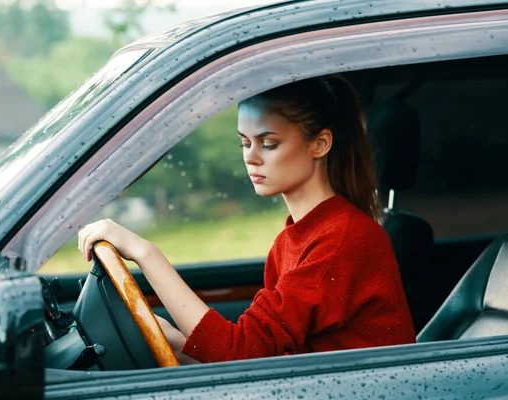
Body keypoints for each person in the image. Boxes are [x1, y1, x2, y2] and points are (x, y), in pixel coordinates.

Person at [77, 75, 416, 364]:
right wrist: (177, 342)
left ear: (320, 144)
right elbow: (269, 353)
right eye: (244, 143)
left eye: (268, 144)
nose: (251, 158)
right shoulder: (293, 239)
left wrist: (144, 252)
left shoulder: (344, 239)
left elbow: (240, 351)